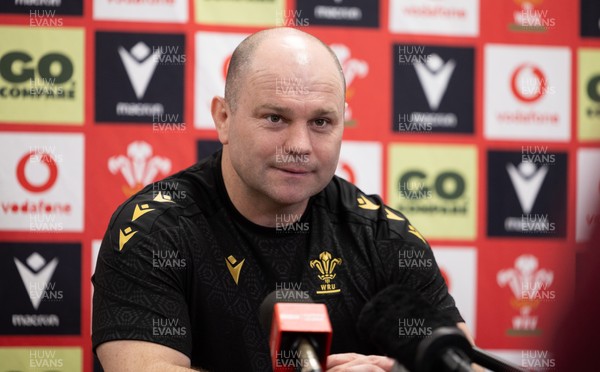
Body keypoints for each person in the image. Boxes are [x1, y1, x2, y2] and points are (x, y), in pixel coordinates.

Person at [92, 27, 474, 371]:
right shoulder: (153, 231)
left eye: (321, 122)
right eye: (275, 118)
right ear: (223, 118)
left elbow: (462, 364)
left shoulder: (383, 237)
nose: (299, 147)